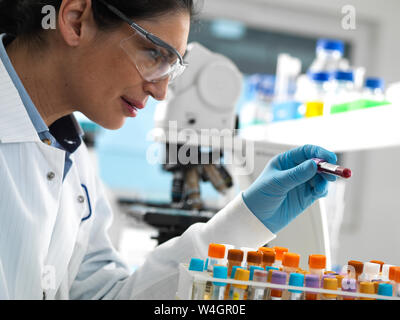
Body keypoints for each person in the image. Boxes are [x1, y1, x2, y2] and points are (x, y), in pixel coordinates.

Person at [0, 0, 337, 299]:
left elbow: (106, 296)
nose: (161, 91)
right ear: (76, 20)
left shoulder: (72, 161)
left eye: (172, 66)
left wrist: (244, 222)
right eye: (153, 53)